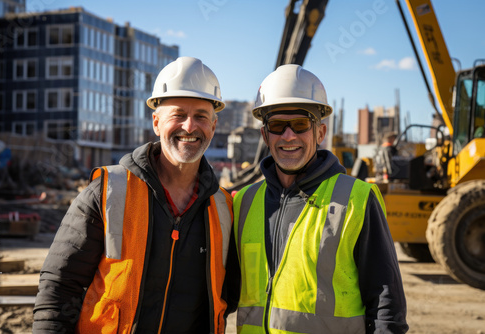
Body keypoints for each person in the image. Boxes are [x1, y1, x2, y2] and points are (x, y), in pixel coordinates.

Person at [33, 57, 240, 333]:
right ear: (156, 122)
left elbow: (228, 296)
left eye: (201, 116)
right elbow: (60, 286)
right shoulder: (109, 191)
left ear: (213, 127)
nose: (190, 127)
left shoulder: (223, 208)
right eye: (178, 114)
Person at [233, 64, 408, 333]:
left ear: (320, 133)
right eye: (278, 125)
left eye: (301, 124)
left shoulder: (356, 200)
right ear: (265, 135)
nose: (288, 135)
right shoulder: (244, 202)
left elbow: (386, 305)